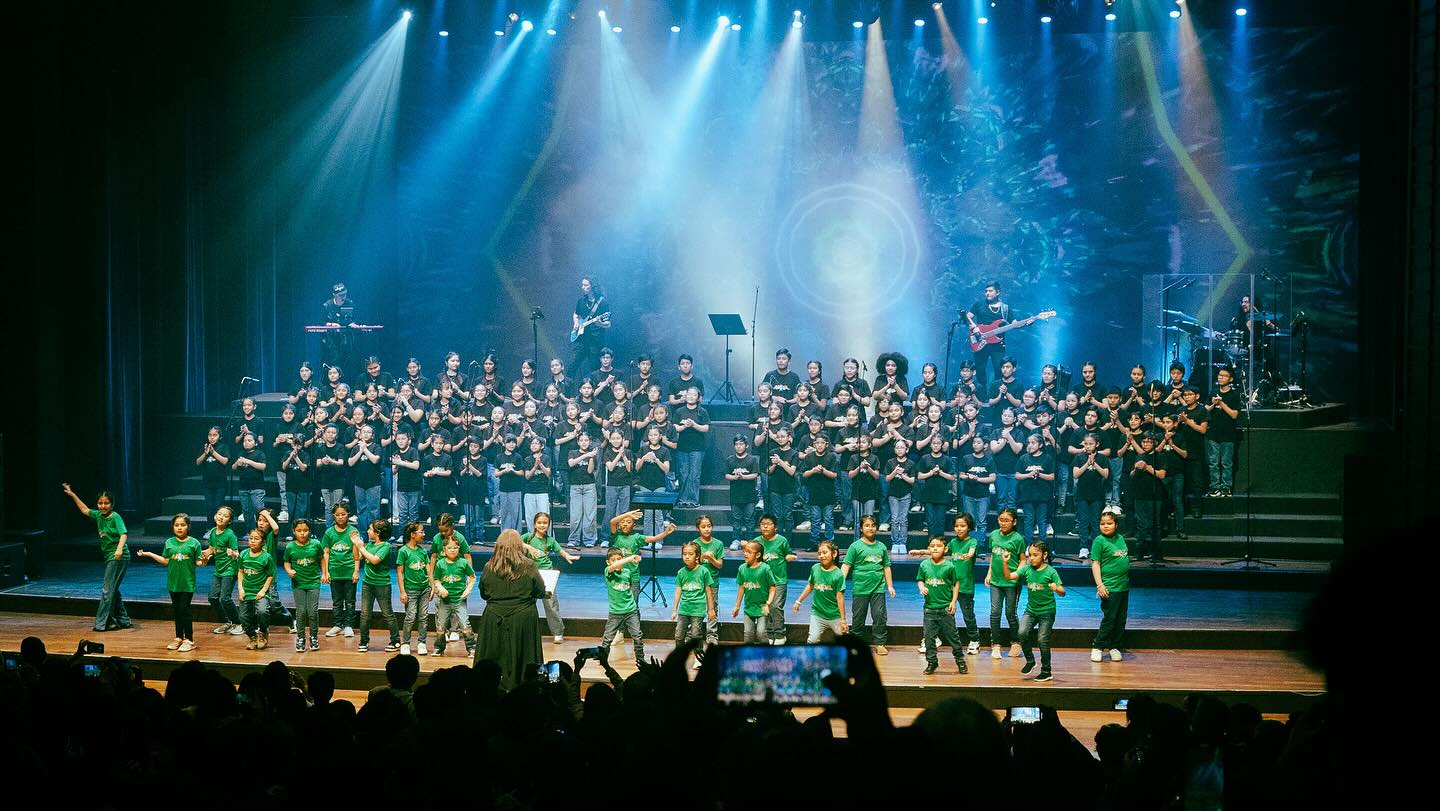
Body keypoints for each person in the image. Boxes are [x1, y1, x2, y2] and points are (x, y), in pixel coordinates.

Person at [474, 529, 547, 688]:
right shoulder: (528, 565)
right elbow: (541, 591)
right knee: (525, 656)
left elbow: (484, 593)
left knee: (493, 654)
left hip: (494, 617)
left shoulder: (489, 566)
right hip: (523, 618)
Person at [62, 484, 133, 633]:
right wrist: (72, 494)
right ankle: (123, 620)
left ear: (112, 504)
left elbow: (124, 534)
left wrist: (119, 549)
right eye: (100, 503)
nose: (103, 506)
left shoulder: (115, 517)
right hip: (110, 556)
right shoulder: (98, 515)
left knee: (107, 590)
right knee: (113, 590)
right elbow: (84, 509)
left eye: (106, 503)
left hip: (118, 557)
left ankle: (102, 624)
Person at [1000, 541, 1066, 682]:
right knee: (1021, 632)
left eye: (1035, 555)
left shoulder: (1051, 571)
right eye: (1030, 555)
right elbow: (1008, 577)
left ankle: (1046, 671)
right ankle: (1030, 661)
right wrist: (1005, 563)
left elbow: (1063, 592)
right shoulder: (1027, 569)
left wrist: (1056, 588)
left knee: (1042, 640)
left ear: (1045, 555)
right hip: (1031, 610)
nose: (1032, 558)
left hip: (1047, 612)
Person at [135, 513, 200, 651]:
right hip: (173, 583)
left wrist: (205, 561)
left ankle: (189, 639)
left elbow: (198, 562)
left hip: (187, 584)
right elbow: (166, 560)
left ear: (188, 526)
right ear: (172, 527)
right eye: (177, 525)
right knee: (177, 611)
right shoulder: (169, 542)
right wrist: (149, 554)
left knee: (184, 610)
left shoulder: (195, 543)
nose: (180, 528)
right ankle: (178, 637)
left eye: (183, 525)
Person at [521, 512, 579, 643]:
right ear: (534, 524)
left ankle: (557, 633)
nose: (542, 525)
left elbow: (560, 550)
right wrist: (528, 547)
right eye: (539, 522)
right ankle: (526, 632)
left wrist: (567, 556)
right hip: (530, 574)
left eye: (545, 523)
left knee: (551, 604)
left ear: (548, 525)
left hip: (547, 574)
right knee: (527, 604)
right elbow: (515, 542)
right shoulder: (528, 537)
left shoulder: (550, 540)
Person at [841, 515, 895, 654]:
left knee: (879, 615)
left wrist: (889, 585)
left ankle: (880, 643)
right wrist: (839, 583)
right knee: (858, 617)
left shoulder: (881, 547)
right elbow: (846, 565)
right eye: (867, 525)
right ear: (861, 528)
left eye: (873, 525)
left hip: (878, 588)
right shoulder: (855, 546)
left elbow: (886, 567)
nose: (870, 528)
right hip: (860, 588)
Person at [916, 537, 968, 676]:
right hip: (929, 608)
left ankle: (960, 661)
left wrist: (953, 601)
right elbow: (920, 580)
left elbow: (956, 583)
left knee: (953, 637)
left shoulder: (950, 566)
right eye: (932, 546)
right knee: (929, 638)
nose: (935, 548)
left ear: (945, 549)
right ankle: (932, 662)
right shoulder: (924, 565)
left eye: (938, 546)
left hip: (945, 608)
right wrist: (921, 587)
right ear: (928, 548)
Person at [1089, 511, 1130, 663]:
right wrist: (1100, 585)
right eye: (1102, 523)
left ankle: (1114, 646)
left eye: (1109, 523)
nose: (1105, 526)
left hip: (1123, 586)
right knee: (1110, 618)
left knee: (1121, 619)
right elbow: (1095, 564)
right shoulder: (1099, 541)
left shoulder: (1120, 539)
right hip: (1109, 587)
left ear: (1116, 525)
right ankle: (1098, 646)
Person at [354, 518, 401, 653]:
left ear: (378, 532)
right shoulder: (369, 545)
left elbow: (374, 560)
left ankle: (396, 640)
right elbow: (357, 557)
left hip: (382, 585)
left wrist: (361, 547)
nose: (368, 531)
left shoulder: (385, 546)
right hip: (367, 584)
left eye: (370, 529)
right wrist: (356, 544)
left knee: (387, 613)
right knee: (365, 614)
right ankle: (363, 641)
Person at [984, 508, 1025, 659]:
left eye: (1007, 520)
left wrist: (1016, 575)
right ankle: (996, 644)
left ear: (1014, 522)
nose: (1003, 523)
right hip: (996, 581)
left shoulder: (1018, 538)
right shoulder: (994, 535)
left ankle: (1016, 642)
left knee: (1010, 613)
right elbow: (993, 557)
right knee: (995, 613)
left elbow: (1023, 560)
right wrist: (989, 573)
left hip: (1011, 582)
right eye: (1001, 519)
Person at [792, 540, 847, 643]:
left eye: (825, 552)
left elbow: (840, 598)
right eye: (819, 553)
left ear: (834, 553)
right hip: (818, 614)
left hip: (834, 615)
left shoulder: (838, 575)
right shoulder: (815, 568)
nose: (821, 556)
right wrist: (798, 601)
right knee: (812, 640)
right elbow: (810, 586)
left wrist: (843, 620)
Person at [430, 537, 476, 656]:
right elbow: (436, 579)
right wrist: (440, 588)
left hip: (459, 600)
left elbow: (472, 577)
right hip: (445, 601)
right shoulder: (440, 563)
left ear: (459, 548)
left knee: (465, 625)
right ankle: (439, 647)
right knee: (441, 626)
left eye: (455, 548)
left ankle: (471, 647)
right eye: (449, 548)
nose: (452, 550)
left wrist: (468, 589)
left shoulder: (463, 563)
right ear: (444, 549)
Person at [671, 541, 716, 664]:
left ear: (697, 556)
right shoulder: (681, 572)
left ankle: (699, 658)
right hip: (684, 609)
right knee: (679, 635)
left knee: (696, 634)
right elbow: (678, 591)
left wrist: (711, 609)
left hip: (698, 609)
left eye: (690, 554)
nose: (686, 556)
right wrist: (674, 609)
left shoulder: (703, 571)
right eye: (684, 554)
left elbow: (708, 591)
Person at [755, 514, 797, 644]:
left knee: (776, 606)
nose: (765, 526)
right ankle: (768, 633)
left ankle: (779, 634)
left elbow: (788, 553)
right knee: (765, 607)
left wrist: (790, 557)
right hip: (762, 582)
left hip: (779, 580)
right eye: (763, 524)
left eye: (769, 524)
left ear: (776, 527)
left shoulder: (782, 540)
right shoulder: (757, 542)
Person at [600, 547, 646, 665]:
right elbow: (614, 567)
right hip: (615, 612)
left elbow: (629, 586)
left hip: (631, 611)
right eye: (613, 560)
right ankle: (603, 660)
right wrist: (629, 558)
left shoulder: (627, 573)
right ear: (608, 562)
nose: (616, 562)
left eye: (619, 559)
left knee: (637, 635)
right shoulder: (608, 572)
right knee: (608, 638)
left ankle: (640, 659)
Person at [283, 517, 323, 652]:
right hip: (298, 583)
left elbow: (322, 558)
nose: (302, 533)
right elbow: (287, 562)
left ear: (309, 531)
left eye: (305, 530)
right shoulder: (290, 546)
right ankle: (301, 638)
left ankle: (314, 637)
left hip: (313, 582)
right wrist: (289, 571)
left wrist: (324, 573)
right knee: (301, 612)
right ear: (294, 531)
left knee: (312, 611)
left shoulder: (316, 544)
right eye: (299, 530)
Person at [202, 505, 243, 636]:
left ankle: (239, 623)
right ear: (215, 516)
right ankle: (227, 622)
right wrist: (201, 553)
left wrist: (233, 553)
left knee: (225, 598)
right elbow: (212, 549)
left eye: (225, 516)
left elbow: (236, 553)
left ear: (229, 521)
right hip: (218, 570)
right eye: (219, 514)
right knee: (213, 598)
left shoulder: (230, 535)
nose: (221, 517)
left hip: (230, 570)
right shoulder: (213, 532)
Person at [321, 503, 361, 638]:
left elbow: (357, 554)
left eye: (343, 514)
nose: (340, 517)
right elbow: (326, 553)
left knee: (350, 601)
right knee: (337, 601)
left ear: (348, 514)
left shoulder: (353, 532)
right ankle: (338, 624)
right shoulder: (329, 532)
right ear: (333, 516)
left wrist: (356, 571)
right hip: (335, 572)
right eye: (337, 515)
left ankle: (349, 625)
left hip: (349, 572)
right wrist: (326, 572)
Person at [964, 281, 1014, 387]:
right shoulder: (979, 305)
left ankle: (996, 394)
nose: (987, 293)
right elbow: (967, 317)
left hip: (998, 344)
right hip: (980, 342)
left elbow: (1014, 323)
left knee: (999, 369)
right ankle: (981, 395)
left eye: (990, 291)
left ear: (998, 292)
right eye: (986, 291)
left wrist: (1027, 323)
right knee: (980, 369)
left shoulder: (1005, 308)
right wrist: (974, 327)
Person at [1128, 433, 1168, 562]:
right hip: (1140, 495)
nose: (1145, 444)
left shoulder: (1160, 456)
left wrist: (1148, 468)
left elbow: (1162, 475)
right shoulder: (1139, 456)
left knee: (1154, 525)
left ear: (1155, 443)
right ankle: (1140, 552)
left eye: (1148, 442)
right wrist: (1136, 469)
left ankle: (1156, 553)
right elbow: (1132, 476)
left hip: (1155, 496)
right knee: (1141, 525)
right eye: (1143, 442)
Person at [395, 522, 433, 656]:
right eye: (421, 532)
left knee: (423, 616)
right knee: (410, 616)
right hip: (411, 589)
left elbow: (428, 569)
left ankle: (422, 642)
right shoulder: (403, 551)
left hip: (424, 589)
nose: (423, 534)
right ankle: (405, 643)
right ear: (412, 534)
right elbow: (400, 572)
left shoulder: (423, 551)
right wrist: (402, 591)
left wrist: (432, 585)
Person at [237, 528, 277, 651]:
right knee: (243, 617)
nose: (253, 541)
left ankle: (263, 632)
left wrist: (263, 591)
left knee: (262, 612)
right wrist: (240, 589)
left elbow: (270, 575)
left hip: (260, 592)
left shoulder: (266, 557)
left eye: (256, 539)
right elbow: (240, 571)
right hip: (246, 591)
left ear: (263, 541)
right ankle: (252, 636)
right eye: (251, 538)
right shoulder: (243, 554)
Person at [732, 540, 778, 644]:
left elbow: (772, 587)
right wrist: (737, 606)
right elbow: (741, 588)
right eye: (744, 551)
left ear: (758, 555)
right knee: (748, 634)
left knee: (761, 633)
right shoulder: (742, 568)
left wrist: (768, 604)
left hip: (762, 607)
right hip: (749, 608)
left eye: (749, 551)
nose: (745, 553)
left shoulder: (765, 569)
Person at [1071, 434, 1110, 558]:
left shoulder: (1103, 458)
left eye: (1091, 444)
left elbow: (1105, 474)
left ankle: (1096, 548)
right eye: (1086, 444)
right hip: (1082, 494)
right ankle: (1083, 548)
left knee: (1095, 522)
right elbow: (1075, 474)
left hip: (1097, 494)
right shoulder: (1079, 457)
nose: (1088, 446)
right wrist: (1087, 463)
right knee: (1083, 522)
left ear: (1097, 444)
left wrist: (1095, 464)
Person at [1206, 367, 1242, 497]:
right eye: (1220, 375)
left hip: (1228, 434)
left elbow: (1234, 415)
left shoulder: (1234, 395)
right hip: (1213, 433)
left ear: (1230, 379)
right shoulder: (1213, 392)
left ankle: (1226, 487)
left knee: (1226, 463)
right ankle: (1214, 487)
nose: (1220, 378)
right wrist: (1213, 404)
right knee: (1213, 462)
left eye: (1224, 376)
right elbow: (1206, 410)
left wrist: (1221, 403)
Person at [1016, 434, 1056, 547]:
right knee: (1028, 520)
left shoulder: (1047, 458)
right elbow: (1017, 475)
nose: (1030, 445)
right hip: (1027, 495)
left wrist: (1040, 474)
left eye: (1033, 443)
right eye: (1028, 443)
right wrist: (1028, 475)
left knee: (1042, 520)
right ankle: (1028, 545)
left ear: (1040, 444)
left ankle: (1041, 546)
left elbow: (1052, 476)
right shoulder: (1023, 458)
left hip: (1043, 495)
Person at [800, 433, 839, 550]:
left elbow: (834, 475)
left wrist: (823, 470)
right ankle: (814, 543)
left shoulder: (832, 456)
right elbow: (804, 474)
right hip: (814, 493)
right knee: (815, 519)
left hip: (828, 493)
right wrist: (813, 470)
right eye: (818, 443)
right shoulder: (809, 457)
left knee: (828, 519)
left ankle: (829, 543)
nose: (820, 445)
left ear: (826, 444)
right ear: (814, 444)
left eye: (822, 443)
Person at [672, 388, 710, 508]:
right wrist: (684, 426)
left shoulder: (702, 411)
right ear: (685, 396)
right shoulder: (679, 411)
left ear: (698, 397)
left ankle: (693, 500)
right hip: (682, 447)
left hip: (697, 447)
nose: (691, 396)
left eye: (694, 395)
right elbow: (674, 427)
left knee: (694, 474)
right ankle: (683, 499)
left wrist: (693, 424)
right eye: (689, 394)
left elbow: (706, 428)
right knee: (683, 473)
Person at [724, 435, 760, 550]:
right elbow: (726, 475)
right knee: (736, 519)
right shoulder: (730, 460)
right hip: (735, 495)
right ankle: (736, 539)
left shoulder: (752, 459)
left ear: (746, 446)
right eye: (736, 444)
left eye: (741, 444)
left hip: (749, 495)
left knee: (749, 519)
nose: (739, 447)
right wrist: (734, 477)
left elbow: (755, 474)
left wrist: (743, 477)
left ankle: (750, 541)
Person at [917, 435, 957, 539]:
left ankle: (941, 544)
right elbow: (919, 476)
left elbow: (952, 477)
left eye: (938, 443)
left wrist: (940, 472)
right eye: (934, 443)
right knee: (930, 521)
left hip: (942, 494)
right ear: (930, 444)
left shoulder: (947, 459)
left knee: (940, 521)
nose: (936, 445)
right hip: (928, 494)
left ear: (942, 445)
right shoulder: (925, 458)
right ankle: (931, 544)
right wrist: (931, 473)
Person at [958, 435, 996, 540]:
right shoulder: (966, 458)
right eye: (974, 442)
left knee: (981, 522)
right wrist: (968, 477)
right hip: (968, 494)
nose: (975, 444)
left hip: (983, 495)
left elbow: (992, 478)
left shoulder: (989, 460)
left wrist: (977, 479)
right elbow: (961, 475)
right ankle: (971, 546)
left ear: (985, 445)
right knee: (970, 521)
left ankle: (980, 545)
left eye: (978, 442)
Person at [883, 438, 917, 555]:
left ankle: (902, 543)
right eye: (897, 447)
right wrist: (894, 472)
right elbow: (887, 478)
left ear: (907, 449)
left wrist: (902, 474)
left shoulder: (911, 463)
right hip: (893, 495)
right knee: (894, 519)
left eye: (902, 447)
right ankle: (894, 543)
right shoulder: (890, 462)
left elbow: (912, 480)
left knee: (903, 520)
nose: (899, 449)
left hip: (905, 494)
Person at [572, 277, 609, 377]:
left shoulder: (602, 303)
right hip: (581, 340)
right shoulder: (581, 301)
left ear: (592, 286)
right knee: (572, 365)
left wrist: (599, 323)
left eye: (585, 285)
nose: (582, 287)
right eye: (582, 284)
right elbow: (576, 314)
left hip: (595, 341)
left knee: (594, 368)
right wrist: (576, 322)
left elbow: (608, 324)